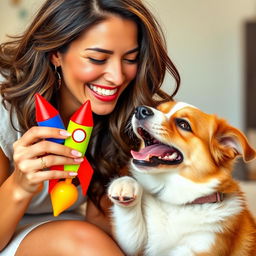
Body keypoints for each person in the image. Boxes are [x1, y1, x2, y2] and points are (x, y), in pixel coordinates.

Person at [0, 0, 180, 255]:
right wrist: (19, 186)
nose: (117, 77)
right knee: (83, 240)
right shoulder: (4, 108)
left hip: (62, 226)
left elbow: (102, 221)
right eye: (97, 58)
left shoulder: (122, 113)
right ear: (55, 53)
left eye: (131, 58)